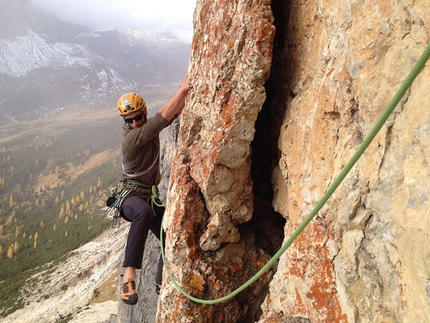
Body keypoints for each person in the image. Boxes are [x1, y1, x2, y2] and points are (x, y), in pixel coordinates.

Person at [116, 75, 189, 305]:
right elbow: (163, 116)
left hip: (148, 198)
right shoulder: (131, 140)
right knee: (144, 213)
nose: (135, 123)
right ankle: (128, 276)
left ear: (143, 112)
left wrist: (187, 96)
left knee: (170, 233)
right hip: (130, 200)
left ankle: (160, 280)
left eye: (138, 118)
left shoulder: (144, 129)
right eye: (130, 121)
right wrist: (183, 87)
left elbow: (171, 113)